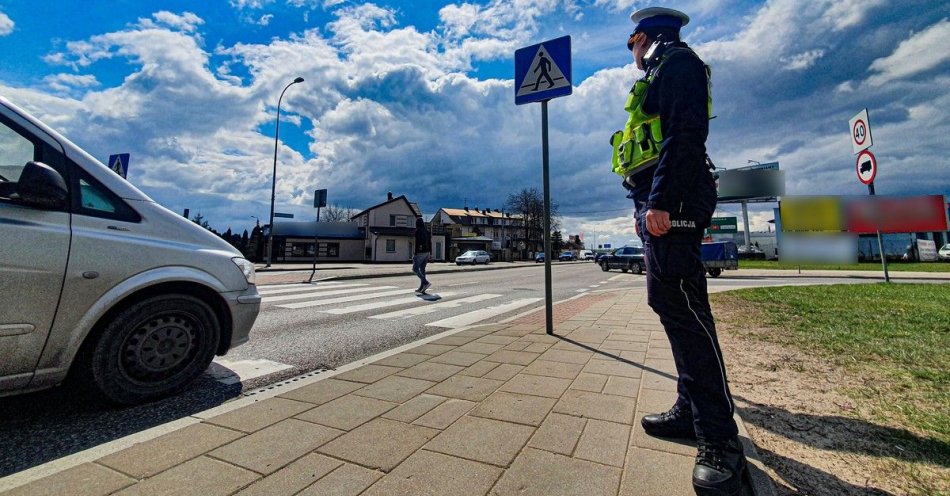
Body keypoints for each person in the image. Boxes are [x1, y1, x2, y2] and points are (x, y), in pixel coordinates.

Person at [611, 7, 746, 495]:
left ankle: (719, 439)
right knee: (673, 303)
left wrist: (662, 201)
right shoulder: (665, 67)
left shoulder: (678, 63)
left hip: (673, 199)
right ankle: (692, 410)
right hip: (658, 198)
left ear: (642, 37)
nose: (631, 51)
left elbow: (686, 135)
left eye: (630, 42)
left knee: (683, 308)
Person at [413, 217, 432, 294]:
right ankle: (422, 287)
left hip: (420, 252)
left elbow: (417, 243)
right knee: (422, 269)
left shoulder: (417, 231)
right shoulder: (427, 232)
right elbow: (430, 242)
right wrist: (431, 253)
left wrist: (416, 252)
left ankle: (425, 282)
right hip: (427, 252)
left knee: (415, 269)